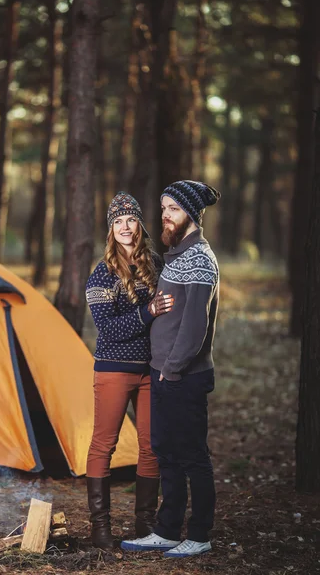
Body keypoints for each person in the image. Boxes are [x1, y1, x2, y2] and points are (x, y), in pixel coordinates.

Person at [121, 180, 221, 558]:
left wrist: (173, 369)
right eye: (163, 208)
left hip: (184, 377)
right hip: (163, 373)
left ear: (192, 215)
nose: (165, 215)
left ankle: (199, 534)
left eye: (174, 209)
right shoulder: (178, 253)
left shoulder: (199, 258)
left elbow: (195, 325)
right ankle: (166, 530)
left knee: (193, 456)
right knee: (166, 452)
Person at [85, 191, 174, 551]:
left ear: (139, 223)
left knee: (151, 446)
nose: (125, 226)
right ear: (111, 228)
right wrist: (149, 311)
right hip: (113, 370)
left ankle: (145, 524)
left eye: (131, 219)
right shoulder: (102, 274)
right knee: (104, 444)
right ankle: (100, 528)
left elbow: (169, 316)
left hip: (151, 371)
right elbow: (109, 329)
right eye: (118, 220)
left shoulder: (155, 264)